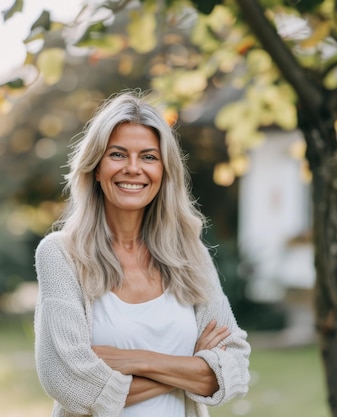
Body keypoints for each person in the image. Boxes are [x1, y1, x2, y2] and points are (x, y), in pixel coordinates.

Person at [33, 91, 251, 417]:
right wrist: (190, 366)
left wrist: (137, 360)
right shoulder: (61, 255)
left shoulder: (191, 257)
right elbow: (67, 381)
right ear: (95, 167)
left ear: (164, 172)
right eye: (118, 155)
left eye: (149, 157)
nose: (133, 168)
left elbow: (234, 365)